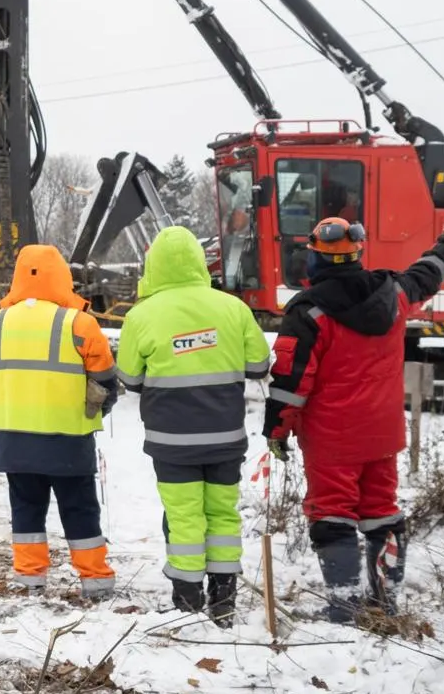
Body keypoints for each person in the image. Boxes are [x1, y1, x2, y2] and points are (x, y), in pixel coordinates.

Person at [263, 214, 444, 623]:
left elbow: (292, 379)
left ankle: (344, 605)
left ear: (315, 258)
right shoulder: (393, 291)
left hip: (332, 438)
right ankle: (384, 603)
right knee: (382, 509)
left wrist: (277, 430)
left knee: (332, 513)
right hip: (382, 433)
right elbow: (427, 274)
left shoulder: (308, 311)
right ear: (357, 254)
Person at [116, 225, 271, 624]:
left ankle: (187, 600)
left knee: (184, 516)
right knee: (222, 514)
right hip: (225, 437)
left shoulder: (141, 315)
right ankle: (224, 601)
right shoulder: (232, 308)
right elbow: (258, 366)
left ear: (154, 267)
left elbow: (131, 379)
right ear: (200, 264)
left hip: (172, 441)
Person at [0, 244, 120, 599]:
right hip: (67, 440)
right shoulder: (81, 324)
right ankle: (95, 581)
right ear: (63, 278)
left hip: (13, 440)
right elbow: (104, 381)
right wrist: (98, 408)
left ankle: (29, 580)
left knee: (25, 510)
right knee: (80, 509)